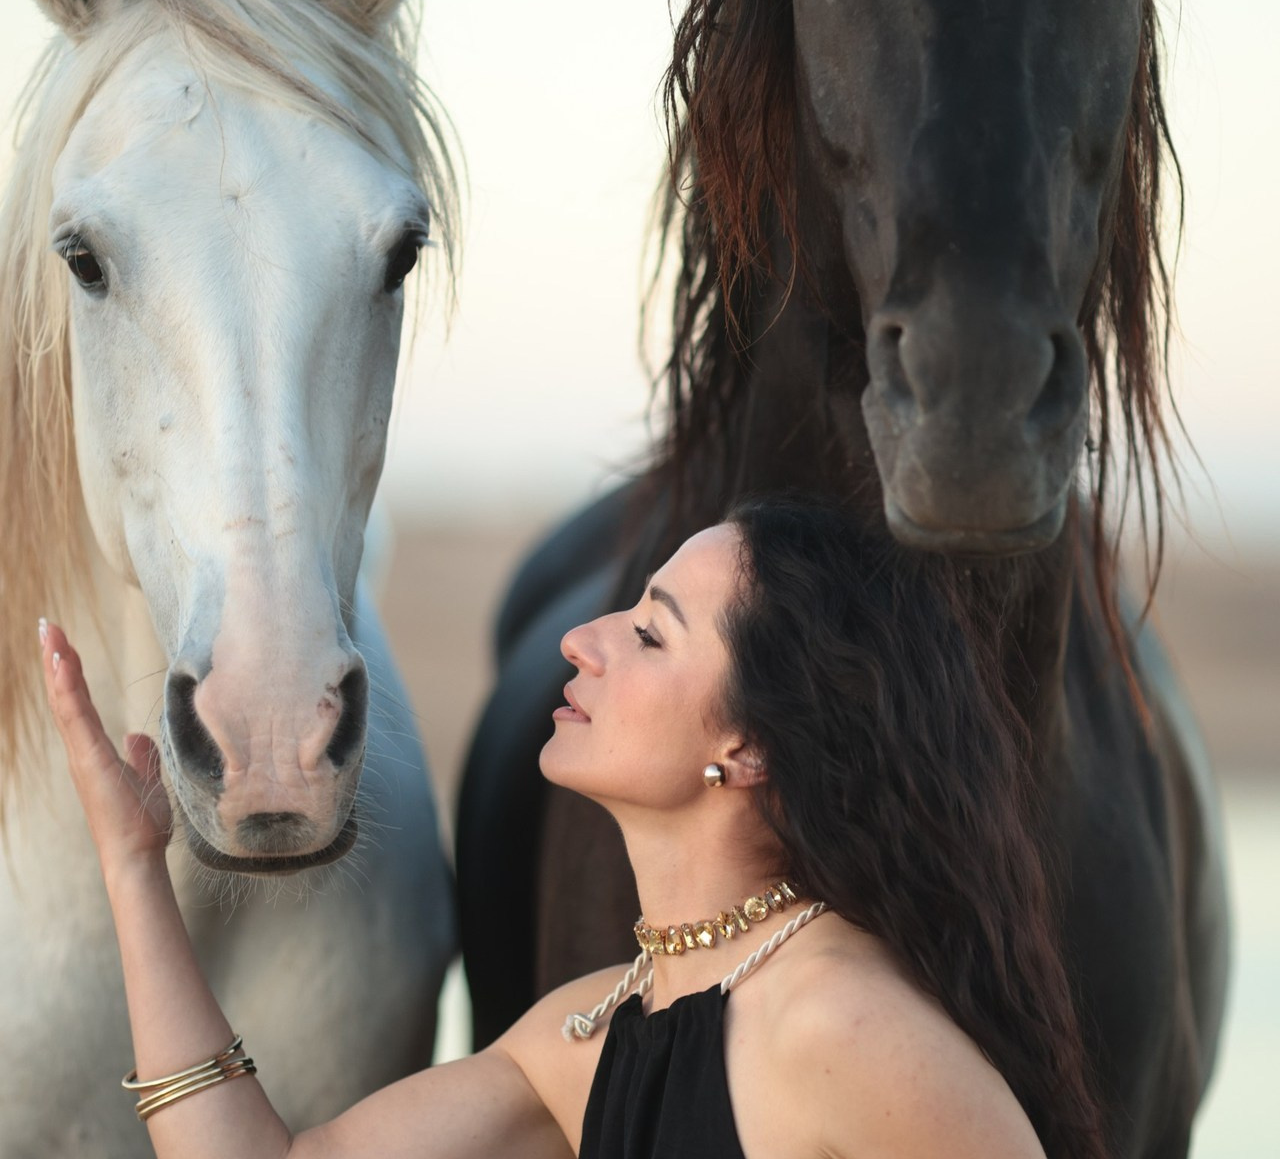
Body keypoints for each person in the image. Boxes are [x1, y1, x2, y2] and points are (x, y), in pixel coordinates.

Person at [40, 496, 1106, 1159]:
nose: (583, 638)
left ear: (749, 746)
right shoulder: (591, 1033)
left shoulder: (840, 1024)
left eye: (648, 630)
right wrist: (134, 863)